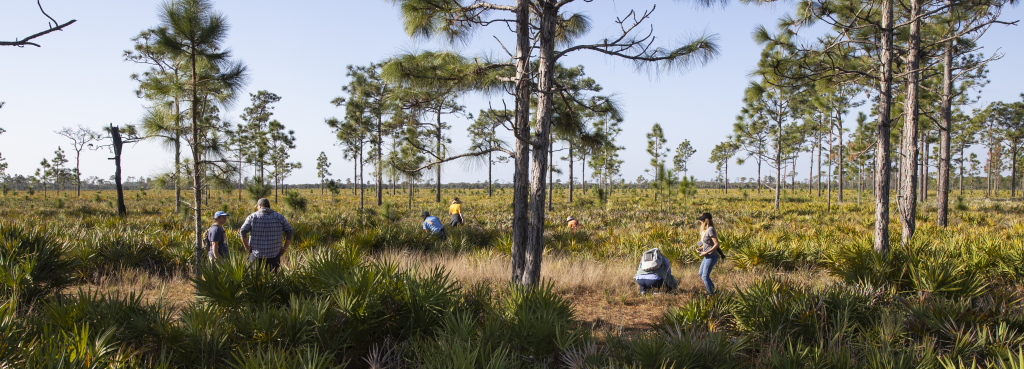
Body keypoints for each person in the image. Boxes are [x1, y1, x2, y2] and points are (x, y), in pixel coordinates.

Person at [239, 198, 293, 272]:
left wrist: (246, 247)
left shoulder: (252, 217)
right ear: (268, 206)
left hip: (256, 255)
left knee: (255, 278)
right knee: (272, 278)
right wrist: (285, 247)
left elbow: (242, 231)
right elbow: (290, 231)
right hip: (274, 255)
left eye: (257, 206)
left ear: (260, 206)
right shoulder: (279, 217)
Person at [695, 212, 721, 296]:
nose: (700, 221)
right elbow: (708, 244)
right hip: (706, 255)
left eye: (701, 220)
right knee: (700, 273)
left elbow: (716, 244)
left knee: (705, 276)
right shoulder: (705, 230)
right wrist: (700, 248)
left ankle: (712, 295)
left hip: (711, 256)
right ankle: (714, 290)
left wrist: (706, 252)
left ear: (705, 220)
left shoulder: (710, 230)